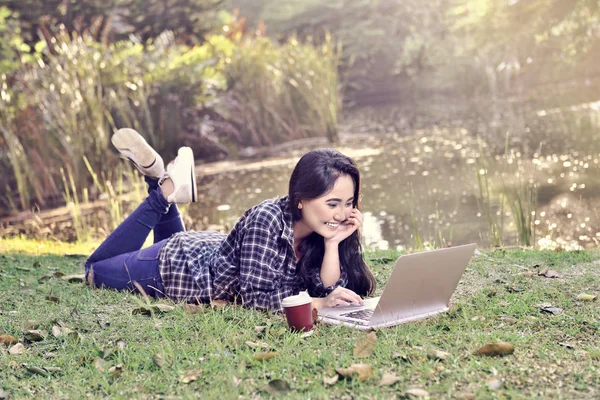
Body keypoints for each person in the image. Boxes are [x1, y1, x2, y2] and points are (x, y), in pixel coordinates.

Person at [85, 128, 375, 311]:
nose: (342, 213)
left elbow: (327, 286)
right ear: (301, 197)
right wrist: (320, 304)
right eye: (332, 203)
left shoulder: (321, 229)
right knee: (93, 270)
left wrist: (334, 244)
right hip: (176, 267)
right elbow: (256, 298)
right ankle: (165, 192)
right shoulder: (267, 220)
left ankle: (157, 174)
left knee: (159, 238)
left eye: (348, 203)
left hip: (207, 250)